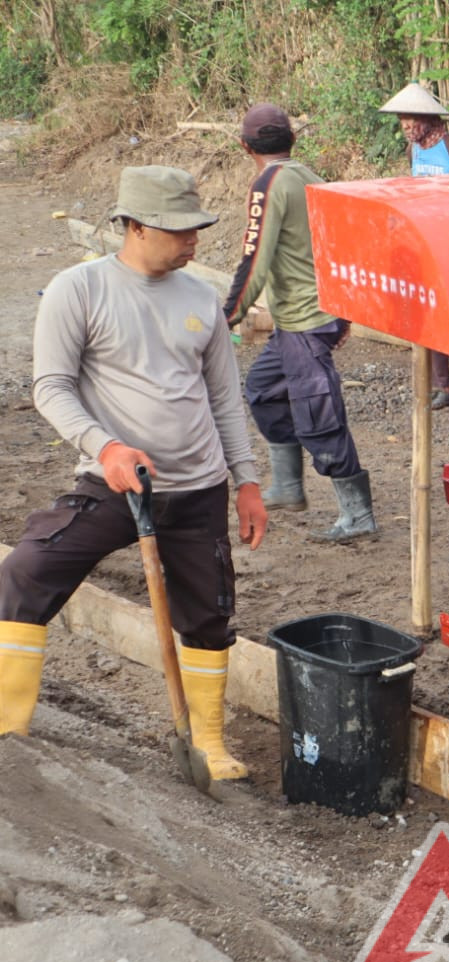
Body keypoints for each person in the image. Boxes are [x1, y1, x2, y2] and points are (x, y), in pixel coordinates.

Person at [0, 166, 267, 780]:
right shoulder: (80, 289)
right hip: (115, 482)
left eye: (198, 227)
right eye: (180, 230)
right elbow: (51, 387)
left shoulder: (201, 297)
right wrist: (108, 448)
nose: (194, 239)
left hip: (199, 488)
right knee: (27, 569)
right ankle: (10, 730)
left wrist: (247, 481)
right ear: (137, 227)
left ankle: (209, 743)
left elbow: (224, 399)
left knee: (208, 612)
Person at [223, 103, 375, 543]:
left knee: (318, 417)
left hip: (306, 319)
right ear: (293, 140)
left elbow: (254, 259)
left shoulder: (269, 185)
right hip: (309, 317)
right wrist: (344, 310)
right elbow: (342, 244)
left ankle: (357, 514)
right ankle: (289, 486)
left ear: (245, 146)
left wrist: (225, 319)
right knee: (264, 390)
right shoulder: (309, 177)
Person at [378, 82, 449, 410]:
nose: (406, 126)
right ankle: (443, 387)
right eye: (402, 120)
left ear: (429, 120)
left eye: (411, 120)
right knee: (431, 312)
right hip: (426, 243)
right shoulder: (414, 151)